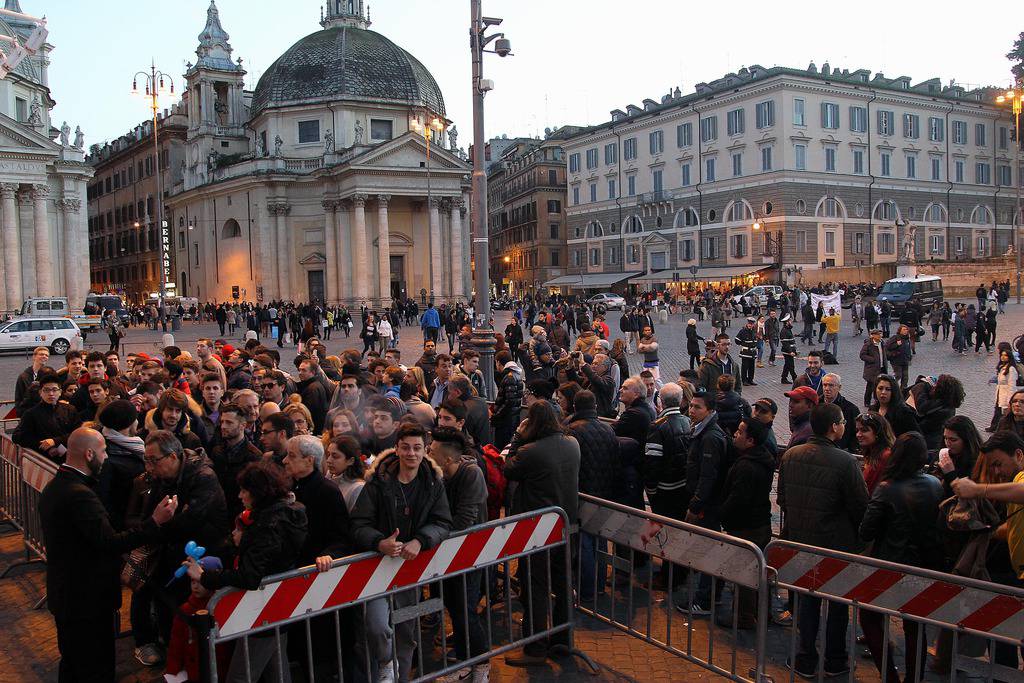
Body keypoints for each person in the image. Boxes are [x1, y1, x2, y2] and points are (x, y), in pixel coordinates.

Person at [39, 427, 178, 683]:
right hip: (86, 600)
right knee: (92, 666)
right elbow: (110, 542)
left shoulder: (58, 487)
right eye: (103, 452)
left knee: (73, 663)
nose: (106, 458)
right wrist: (154, 522)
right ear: (90, 453)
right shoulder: (79, 495)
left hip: (70, 596)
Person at [348, 422, 452, 682]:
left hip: (410, 574)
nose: (411, 454)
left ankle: (402, 677)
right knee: (377, 625)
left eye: (417, 448)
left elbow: (442, 522)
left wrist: (421, 540)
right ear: (396, 448)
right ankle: (386, 661)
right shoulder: (378, 482)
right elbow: (359, 524)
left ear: (425, 449)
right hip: (376, 571)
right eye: (405, 447)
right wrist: (379, 542)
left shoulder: (433, 483)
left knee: (406, 633)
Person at [186, 461, 307, 683]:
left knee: (240, 676)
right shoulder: (286, 514)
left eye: (244, 490)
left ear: (258, 493)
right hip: (279, 605)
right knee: (277, 671)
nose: (240, 496)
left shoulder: (267, 525)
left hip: (263, 609)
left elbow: (249, 576)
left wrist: (204, 576)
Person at [777, 403, 868, 679]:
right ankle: (835, 659)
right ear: (833, 427)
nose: (845, 425)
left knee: (807, 603)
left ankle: (805, 657)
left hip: (800, 542)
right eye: (842, 422)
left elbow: (781, 499)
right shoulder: (845, 462)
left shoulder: (791, 456)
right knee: (838, 606)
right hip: (835, 546)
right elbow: (860, 506)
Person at [857, 431, 943, 683]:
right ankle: (913, 678)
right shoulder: (934, 484)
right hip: (924, 564)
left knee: (870, 617)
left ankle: (890, 675)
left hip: (890, 563)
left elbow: (867, 529)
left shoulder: (887, 488)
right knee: (915, 624)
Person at [504, 402, 580, 667]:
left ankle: (535, 648)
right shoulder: (572, 444)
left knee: (536, 587)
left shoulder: (530, 451)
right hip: (565, 525)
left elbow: (508, 467)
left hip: (537, 529)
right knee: (562, 584)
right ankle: (562, 642)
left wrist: (517, 435)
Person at [428, 428, 490, 683]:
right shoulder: (438, 475)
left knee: (465, 609)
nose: (427, 454)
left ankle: (481, 664)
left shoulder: (470, 474)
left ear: (448, 459)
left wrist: (433, 533)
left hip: (470, 554)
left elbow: (465, 519)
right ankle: (466, 661)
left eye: (431, 451)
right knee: (455, 607)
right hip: (449, 554)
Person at [718, 417, 774, 629]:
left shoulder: (747, 467)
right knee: (757, 571)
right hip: (759, 522)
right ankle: (761, 613)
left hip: (746, 527)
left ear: (750, 440)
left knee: (745, 573)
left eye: (740, 432)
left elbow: (737, 500)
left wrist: (722, 513)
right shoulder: (762, 459)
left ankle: (744, 616)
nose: (736, 435)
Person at [679, 391, 729, 615]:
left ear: (709, 410)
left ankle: (705, 599)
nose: (692, 410)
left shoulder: (710, 436)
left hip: (707, 505)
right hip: (705, 502)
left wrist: (695, 504)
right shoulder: (701, 430)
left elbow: (708, 476)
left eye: (697, 407)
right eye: (691, 406)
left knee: (708, 549)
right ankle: (711, 594)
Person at [14, 371, 81, 460]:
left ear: (60, 392)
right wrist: (43, 446)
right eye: (46, 390)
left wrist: (55, 441)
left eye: (54, 389)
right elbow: (22, 437)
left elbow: (77, 432)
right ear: (40, 392)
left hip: (70, 455)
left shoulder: (70, 409)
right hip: (44, 459)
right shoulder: (31, 414)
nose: (51, 394)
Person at [854, 412, 895, 494]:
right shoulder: (872, 454)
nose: (858, 434)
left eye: (864, 430)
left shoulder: (885, 456)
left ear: (878, 432)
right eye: (857, 430)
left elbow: (870, 489)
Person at [324, 434, 366, 511]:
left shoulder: (358, 488)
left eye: (335, 456)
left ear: (350, 461)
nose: (328, 460)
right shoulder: (329, 476)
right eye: (328, 455)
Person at [492, 349, 524, 449]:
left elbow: (509, 401)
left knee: (502, 446)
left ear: (498, 362)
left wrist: (497, 415)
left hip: (506, 421)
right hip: (513, 418)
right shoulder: (516, 374)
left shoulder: (509, 376)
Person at [821, 373, 859, 452]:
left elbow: (855, 433)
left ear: (839, 387)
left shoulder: (850, 409)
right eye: (825, 385)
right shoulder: (816, 404)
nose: (827, 388)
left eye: (831, 385)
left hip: (841, 450)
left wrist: (850, 450)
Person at [989, 349, 1020, 432]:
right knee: (998, 412)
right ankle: (996, 427)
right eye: (1002, 355)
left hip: (1006, 395)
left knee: (1005, 414)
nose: (1003, 357)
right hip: (1000, 394)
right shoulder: (1002, 367)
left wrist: (1010, 400)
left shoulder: (1011, 369)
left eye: (1005, 355)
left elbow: (1012, 386)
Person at [859, 329, 888, 407]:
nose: (880, 336)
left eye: (881, 334)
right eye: (878, 335)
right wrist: (872, 359)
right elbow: (862, 355)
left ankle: (877, 400)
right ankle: (867, 401)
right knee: (870, 386)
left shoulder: (882, 343)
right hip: (872, 369)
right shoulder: (868, 344)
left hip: (882, 367)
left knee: (879, 385)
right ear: (873, 335)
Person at [884, 324, 913, 391]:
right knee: (898, 375)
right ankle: (891, 386)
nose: (905, 331)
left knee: (905, 377)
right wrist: (896, 344)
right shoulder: (895, 338)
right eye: (904, 330)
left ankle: (903, 390)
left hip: (905, 360)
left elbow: (908, 348)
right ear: (900, 331)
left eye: (906, 330)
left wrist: (909, 357)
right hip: (896, 361)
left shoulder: (907, 338)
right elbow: (887, 346)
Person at [779, 314, 798, 384]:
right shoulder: (784, 331)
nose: (791, 322)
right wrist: (790, 352)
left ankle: (783, 378)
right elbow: (785, 343)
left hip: (789, 351)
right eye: (790, 320)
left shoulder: (788, 329)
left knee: (787, 365)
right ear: (787, 322)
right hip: (787, 352)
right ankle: (795, 379)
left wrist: (794, 350)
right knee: (791, 365)